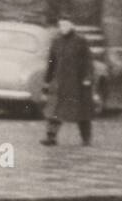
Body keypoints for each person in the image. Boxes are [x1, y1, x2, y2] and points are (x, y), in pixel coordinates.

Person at [40, 15, 95, 147]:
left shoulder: (81, 41)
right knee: (55, 111)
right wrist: (47, 80)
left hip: (77, 83)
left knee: (82, 112)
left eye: (66, 25)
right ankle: (51, 137)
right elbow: (51, 62)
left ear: (72, 26)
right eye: (61, 25)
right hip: (60, 83)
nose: (63, 28)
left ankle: (86, 138)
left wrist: (88, 78)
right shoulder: (56, 42)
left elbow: (88, 61)